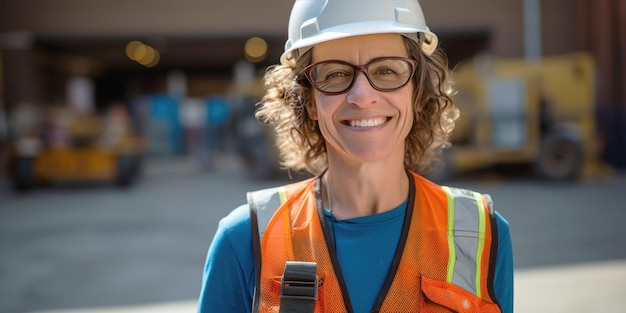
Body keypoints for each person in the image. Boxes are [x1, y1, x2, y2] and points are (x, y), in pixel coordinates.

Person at [197, 0, 514, 312]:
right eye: (334, 74)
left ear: (417, 91)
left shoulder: (483, 235)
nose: (362, 97)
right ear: (309, 101)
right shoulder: (244, 240)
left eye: (387, 70)